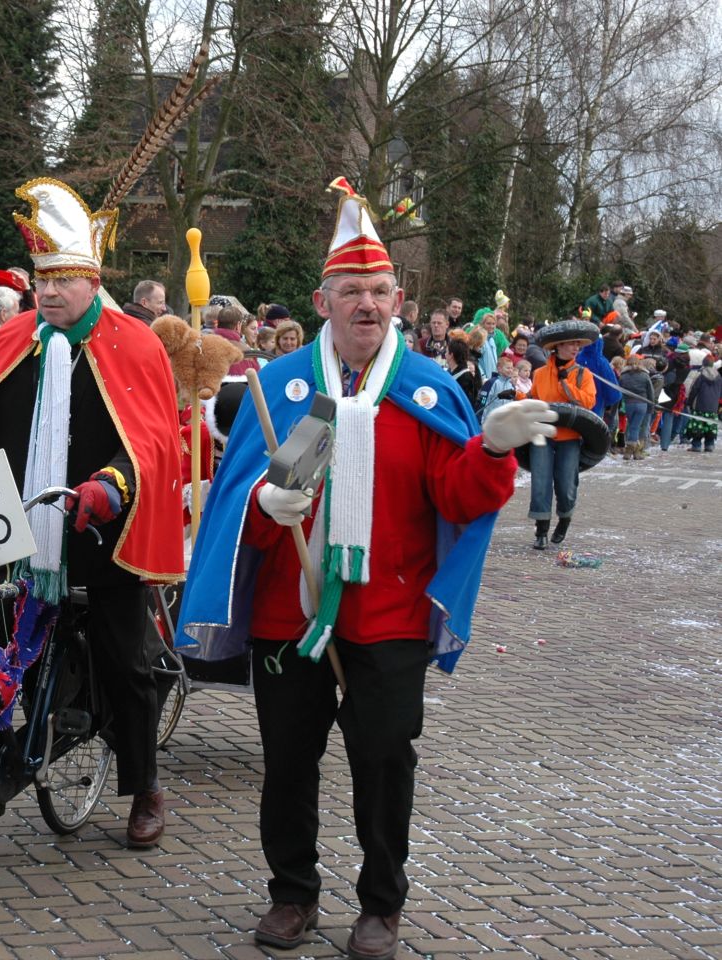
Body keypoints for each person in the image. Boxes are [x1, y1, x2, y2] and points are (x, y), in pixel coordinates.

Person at [178, 178, 553, 960]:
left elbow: (455, 498)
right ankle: (292, 894)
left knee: (384, 760)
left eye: (379, 291)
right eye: (351, 291)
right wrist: (263, 503)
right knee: (288, 761)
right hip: (290, 613)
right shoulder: (282, 388)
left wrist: (491, 449)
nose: (367, 305)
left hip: (391, 615)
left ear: (399, 300)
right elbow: (239, 506)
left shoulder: (428, 389)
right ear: (323, 302)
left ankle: (381, 904)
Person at [0, 177, 184, 848]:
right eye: (43, 278)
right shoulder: (14, 339)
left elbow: (149, 441)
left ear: (93, 281)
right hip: (15, 520)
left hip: (101, 527)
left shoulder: (134, 342)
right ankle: (0, 765)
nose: (50, 291)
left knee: (126, 661)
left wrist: (111, 485)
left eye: (64, 279)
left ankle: (145, 784)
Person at [528, 320, 599, 548]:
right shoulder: (539, 373)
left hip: (569, 437)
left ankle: (565, 518)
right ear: (558, 346)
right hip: (542, 434)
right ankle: (541, 530)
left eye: (578, 344)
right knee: (540, 481)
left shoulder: (583, 374)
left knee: (567, 485)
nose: (576, 348)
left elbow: (588, 402)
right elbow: (534, 399)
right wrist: (516, 396)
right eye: (571, 344)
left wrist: (566, 382)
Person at [619, 353, 655, 459]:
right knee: (636, 427)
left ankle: (631, 451)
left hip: (629, 404)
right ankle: (633, 451)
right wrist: (651, 406)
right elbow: (651, 392)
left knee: (632, 426)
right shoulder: (645, 375)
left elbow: (620, 391)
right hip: (642, 404)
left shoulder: (623, 376)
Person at [682, 352, 720, 453]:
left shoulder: (700, 374)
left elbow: (694, 389)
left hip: (699, 405)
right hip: (713, 406)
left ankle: (696, 445)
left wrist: (689, 402)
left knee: (697, 426)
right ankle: (709, 445)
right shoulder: (719, 376)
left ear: (703, 363)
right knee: (710, 426)